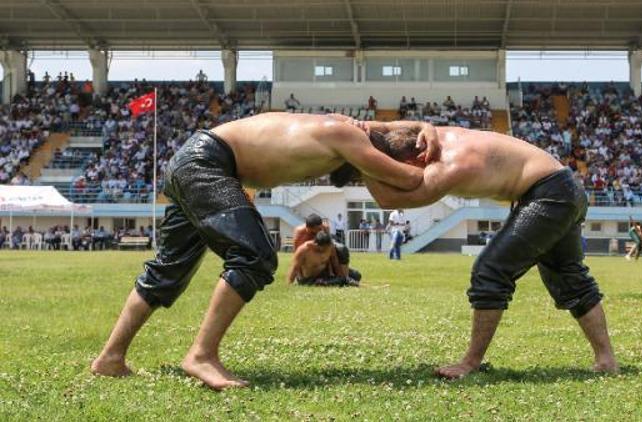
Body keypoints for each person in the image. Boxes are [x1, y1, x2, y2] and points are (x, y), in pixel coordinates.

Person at [91, 112, 440, 390]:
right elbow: (407, 180)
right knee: (254, 255)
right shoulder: (351, 137)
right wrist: (445, 171)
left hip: (194, 159)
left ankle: (110, 359)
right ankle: (201, 355)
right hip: (209, 163)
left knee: (167, 269)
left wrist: (425, 125)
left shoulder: (346, 125)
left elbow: (387, 129)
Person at [358, 123, 618, 378]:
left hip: (549, 193)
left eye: (397, 170)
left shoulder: (450, 165)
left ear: (416, 160)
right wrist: (363, 128)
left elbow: (389, 200)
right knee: (569, 276)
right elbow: (405, 124)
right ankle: (606, 359)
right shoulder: (438, 133)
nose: (397, 177)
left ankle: (471, 362)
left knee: (490, 271)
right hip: (564, 186)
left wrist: (361, 160)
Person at [287, 231, 361, 287]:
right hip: (309, 279)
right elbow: (294, 268)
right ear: (317, 245)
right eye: (324, 248)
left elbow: (335, 264)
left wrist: (341, 277)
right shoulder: (304, 250)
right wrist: (289, 284)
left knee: (356, 276)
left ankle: (343, 281)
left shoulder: (330, 247)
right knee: (342, 280)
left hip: (323, 275)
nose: (327, 250)